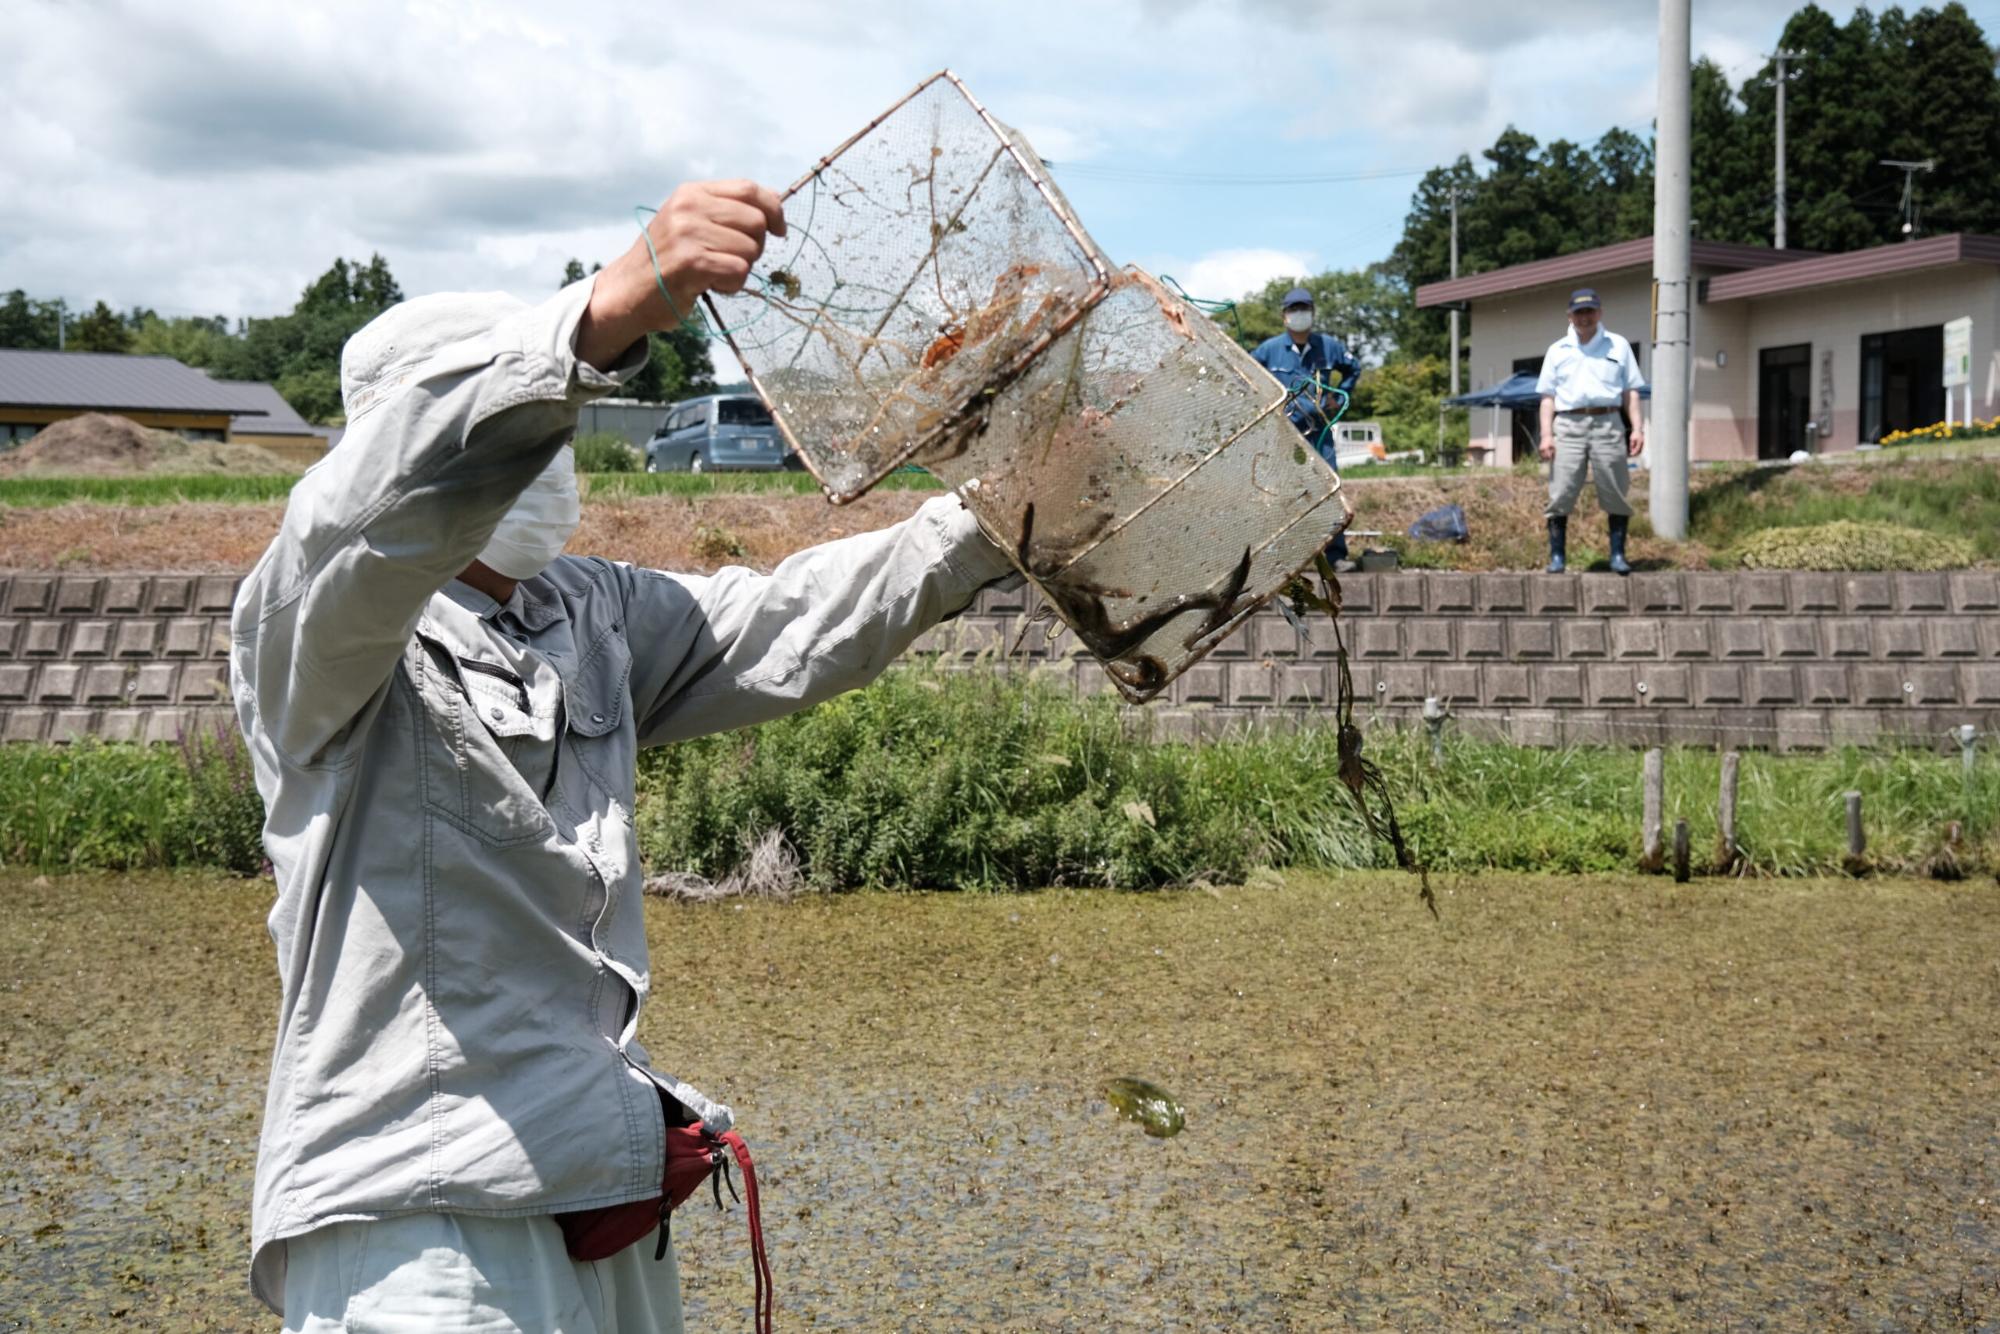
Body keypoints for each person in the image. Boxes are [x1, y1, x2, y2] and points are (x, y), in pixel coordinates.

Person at [230, 179, 1016, 1333]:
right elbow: (365, 519)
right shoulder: (314, 633)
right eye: (525, 415)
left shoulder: (580, 612)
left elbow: (788, 620)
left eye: (549, 420)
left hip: (599, 1193)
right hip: (418, 1219)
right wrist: (597, 313)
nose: (540, 449)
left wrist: (992, 516)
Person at [1535, 287, 1646, 575]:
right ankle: (1558, 557)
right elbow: (1547, 397)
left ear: (1599, 313)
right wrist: (1546, 434)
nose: (1584, 317)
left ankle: (1617, 555)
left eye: (1590, 311)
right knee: (1561, 490)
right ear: (1569, 315)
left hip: (1608, 422)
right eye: (1579, 312)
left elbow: (1630, 391)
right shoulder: (1557, 350)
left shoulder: (1618, 346)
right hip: (1568, 424)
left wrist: (1637, 428)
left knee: (1616, 488)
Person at [1252, 285, 1362, 565]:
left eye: (1304, 309)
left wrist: (1337, 396)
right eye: (1294, 309)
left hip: (1320, 430)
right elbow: (1249, 375)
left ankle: (1335, 555)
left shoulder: (1329, 347)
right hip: (1285, 431)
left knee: (1328, 489)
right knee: (1282, 491)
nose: (1299, 314)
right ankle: (1283, 560)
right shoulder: (1269, 349)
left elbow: (1354, 367)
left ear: (1312, 313)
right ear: (1284, 315)